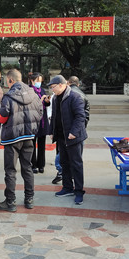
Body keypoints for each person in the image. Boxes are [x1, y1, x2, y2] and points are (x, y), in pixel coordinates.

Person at [0, 69, 43, 212]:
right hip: (29, 136)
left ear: (11, 80)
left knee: (10, 170)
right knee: (27, 168)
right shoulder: (33, 94)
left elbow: (2, 117)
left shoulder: (8, 96)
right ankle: (29, 199)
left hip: (12, 138)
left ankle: (10, 202)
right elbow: (40, 113)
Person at [48, 75, 87, 205]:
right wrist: (51, 131)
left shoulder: (75, 97)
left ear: (61, 85)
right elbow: (54, 116)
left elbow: (80, 117)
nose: (52, 90)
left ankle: (79, 191)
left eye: (53, 87)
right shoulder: (55, 98)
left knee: (76, 164)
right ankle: (67, 187)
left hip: (73, 137)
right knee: (64, 163)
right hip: (61, 136)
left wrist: (74, 132)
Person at [29, 72, 49, 174]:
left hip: (42, 121)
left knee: (42, 143)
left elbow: (45, 104)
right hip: (33, 120)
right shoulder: (29, 91)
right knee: (32, 144)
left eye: (40, 81)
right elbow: (30, 105)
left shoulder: (42, 90)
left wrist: (47, 101)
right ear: (32, 81)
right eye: (37, 81)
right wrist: (40, 101)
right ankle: (33, 164)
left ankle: (41, 165)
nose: (39, 83)